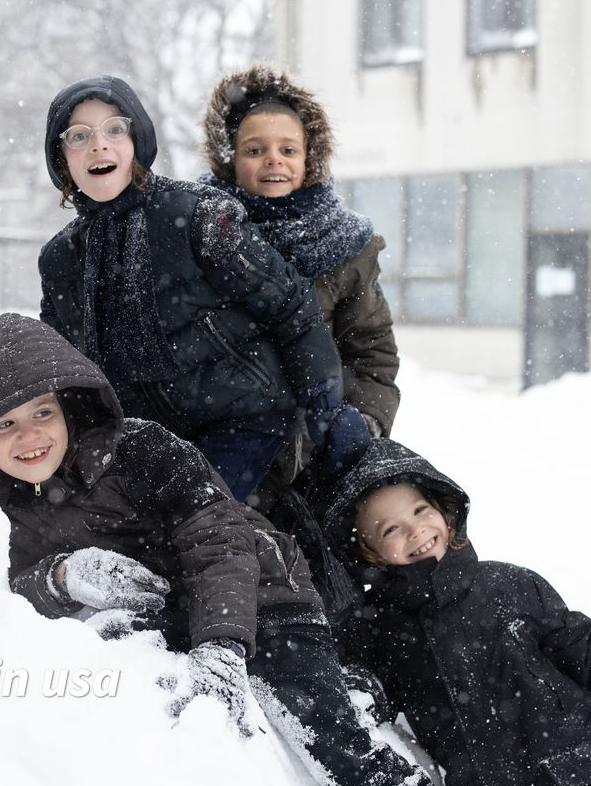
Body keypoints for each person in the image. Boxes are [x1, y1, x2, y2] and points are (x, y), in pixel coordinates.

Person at [0, 312, 479, 786]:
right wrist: (61, 578)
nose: (29, 436)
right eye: (4, 424)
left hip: (262, 597)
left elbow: (219, 539)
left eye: (42, 413)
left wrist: (222, 643)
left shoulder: (141, 449)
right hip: (162, 616)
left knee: (334, 749)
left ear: (68, 406)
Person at [321, 438, 591, 786]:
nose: (417, 530)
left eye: (421, 510)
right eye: (391, 530)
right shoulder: (374, 630)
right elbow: (363, 696)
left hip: (589, 781)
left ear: (445, 510)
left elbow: (585, 649)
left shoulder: (509, 584)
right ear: (367, 553)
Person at [36, 75, 370, 505]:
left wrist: (324, 400)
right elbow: (61, 366)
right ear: (61, 158)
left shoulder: (198, 215)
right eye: (79, 136)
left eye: (115, 129)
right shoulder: (60, 259)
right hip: (145, 439)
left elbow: (290, 304)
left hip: (244, 420)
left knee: (194, 523)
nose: (99, 145)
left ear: (138, 140)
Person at [199, 64, 399, 507]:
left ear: (310, 157)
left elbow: (372, 351)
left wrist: (363, 420)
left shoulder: (346, 247)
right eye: (255, 149)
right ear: (229, 156)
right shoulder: (196, 233)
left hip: (316, 463)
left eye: (289, 148)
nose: (274, 160)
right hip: (220, 461)